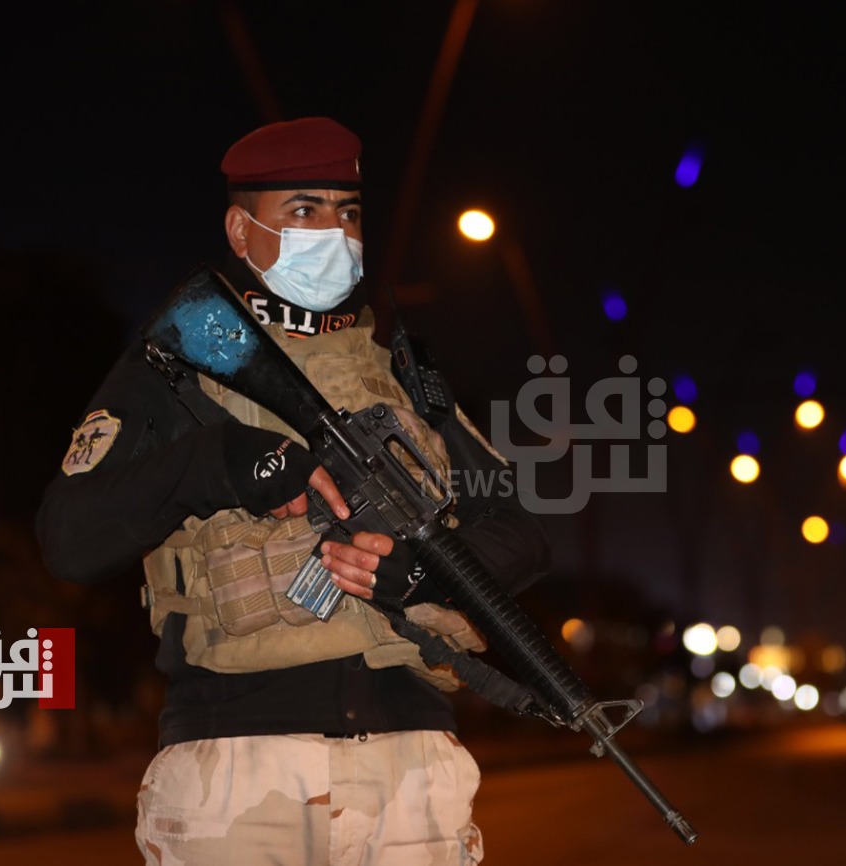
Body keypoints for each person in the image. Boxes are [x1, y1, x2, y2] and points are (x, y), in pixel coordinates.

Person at [35, 116, 549, 865]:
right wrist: (217, 459)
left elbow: (524, 534)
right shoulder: (183, 359)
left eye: (348, 212)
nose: (333, 233)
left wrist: (418, 569)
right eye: (303, 210)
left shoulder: (401, 374)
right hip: (237, 769)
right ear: (240, 233)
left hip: (409, 763)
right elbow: (68, 537)